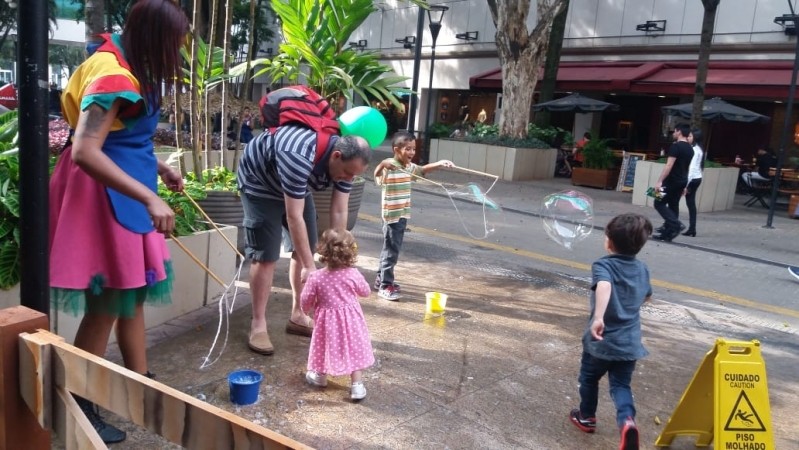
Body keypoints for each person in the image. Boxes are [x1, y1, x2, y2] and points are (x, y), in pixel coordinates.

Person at [48, 0, 188, 444]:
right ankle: (77, 401)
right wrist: (150, 195)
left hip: (125, 188)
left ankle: (140, 382)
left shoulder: (128, 58)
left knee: (133, 295)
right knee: (109, 302)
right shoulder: (112, 74)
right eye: (175, 44)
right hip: (103, 196)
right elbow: (86, 151)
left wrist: (160, 169)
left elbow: (124, 137)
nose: (178, 53)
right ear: (154, 39)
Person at [237, 124, 371, 355]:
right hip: (259, 184)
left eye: (353, 175)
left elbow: (339, 211)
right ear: (336, 156)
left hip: (296, 187)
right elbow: (293, 215)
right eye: (348, 173)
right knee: (266, 254)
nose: (348, 179)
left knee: (306, 247)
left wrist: (337, 260)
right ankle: (258, 324)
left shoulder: (346, 165)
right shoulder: (298, 154)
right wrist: (310, 267)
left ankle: (298, 314)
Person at [568, 213, 653, 450]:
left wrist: (598, 318)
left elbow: (604, 285)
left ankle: (586, 417)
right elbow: (647, 296)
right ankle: (627, 422)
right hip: (629, 343)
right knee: (621, 386)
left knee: (589, 378)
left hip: (601, 342)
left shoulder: (603, 265)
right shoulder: (643, 269)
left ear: (609, 242)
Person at [373, 131, 453, 300]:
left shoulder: (409, 167)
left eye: (413, 149)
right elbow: (377, 176)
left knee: (389, 248)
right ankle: (386, 285)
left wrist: (439, 163)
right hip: (391, 216)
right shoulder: (389, 167)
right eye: (408, 149)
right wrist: (382, 164)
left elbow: (422, 169)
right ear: (397, 149)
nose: (411, 152)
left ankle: (381, 278)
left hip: (402, 214)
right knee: (391, 250)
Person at [301, 228, 374, 401]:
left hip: (327, 322)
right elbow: (365, 292)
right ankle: (357, 385)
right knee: (353, 347)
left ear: (323, 251)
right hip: (351, 320)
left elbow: (306, 300)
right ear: (350, 252)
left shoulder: (316, 277)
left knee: (324, 345)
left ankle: (320, 376)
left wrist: (305, 310)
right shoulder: (352, 274)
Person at [652, 124, 694, 242]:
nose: (673, 134)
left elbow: (669, 165)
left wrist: (659, 181)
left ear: (679, 132)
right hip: (682, 181)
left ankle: (676, 224)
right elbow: (687, 167)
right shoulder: (690, 149)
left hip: (670, 180)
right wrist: (685, 185)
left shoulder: (675, 146)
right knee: (673, 204)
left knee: (658, 202)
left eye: (674, 131)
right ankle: (668, 233)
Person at [682, 128, 704, 237]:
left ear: (695, 138)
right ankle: (692, 228)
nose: (688, 138)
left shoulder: (694, 151)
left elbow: (691, 169)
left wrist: (686, 185)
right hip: (697, 178)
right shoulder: (699, 149)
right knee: (690, 204)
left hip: (691, 179)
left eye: (690, 136)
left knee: (689, 203)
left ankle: (673, 224)